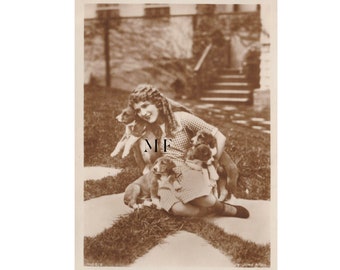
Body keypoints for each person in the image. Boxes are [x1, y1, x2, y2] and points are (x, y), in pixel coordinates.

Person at [128, 84, 249, 218]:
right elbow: (154, 155)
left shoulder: (182, 118)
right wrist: (137, 140)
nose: (143, 113)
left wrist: (211, 163)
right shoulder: (151, 130)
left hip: (189, 170)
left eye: (145, 106)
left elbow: (220, 137)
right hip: (168, 176)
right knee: (179, 210)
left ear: (157, 103)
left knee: (205, 200)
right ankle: (210, 210)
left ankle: (224, 209)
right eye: (138, 110)